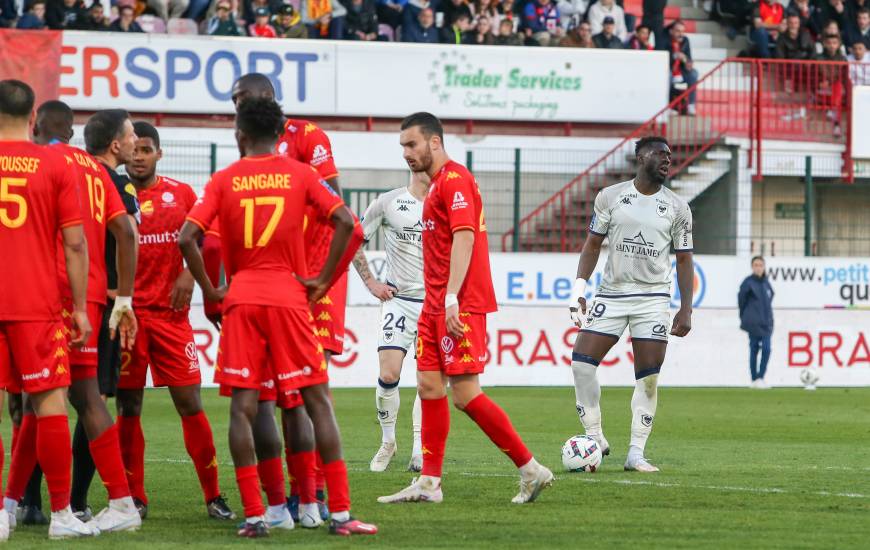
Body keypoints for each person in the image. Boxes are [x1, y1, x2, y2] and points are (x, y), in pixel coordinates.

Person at [179, 96, 376, 537]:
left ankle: (256, 515)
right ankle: (337, 513)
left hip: (243, 298)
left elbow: (188, 237)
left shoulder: (224, 179)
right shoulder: (302, 173)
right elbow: (347, 223)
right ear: (279, 134)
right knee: (316, 401)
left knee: (245, 408)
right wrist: (320, 281)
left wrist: (212, 290)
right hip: (290, 295)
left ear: (239, 136)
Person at [378, 112, 554, 505]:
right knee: (427, 386)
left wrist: (453, 296)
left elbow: (464, 236)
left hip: (459, 303)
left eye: (412, 144)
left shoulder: (455, 180)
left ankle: (531, 469)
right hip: (434, 302)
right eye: (403, 146)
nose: (406, 153)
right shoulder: (437, 184)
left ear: (434, 143)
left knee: (464, 393)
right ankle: (429, 484)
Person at [7, 101, 142, 535]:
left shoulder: (40, 162)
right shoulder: (95, 170)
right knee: (55, 398)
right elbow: (126, 231)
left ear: (37, 126)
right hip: (88, 293)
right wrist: (124, 296)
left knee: (51, 399)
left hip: (46, 290)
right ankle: (19, 503)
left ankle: (94, 504)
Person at [229, 73, 346, 525]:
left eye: (242, 98)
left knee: (305, 390)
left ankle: (309, 492)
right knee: (271, 394)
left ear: (265, 97)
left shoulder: (306, 135)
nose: (237, 105)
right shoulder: (248, 149)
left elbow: (333, 200)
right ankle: (287, 498)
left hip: (311, 277)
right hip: (273, 281)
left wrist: (315, 273)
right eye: (234, 100)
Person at [117, 122, 235, 522]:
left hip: (171, 318)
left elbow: (206, 235)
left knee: (189, 403)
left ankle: (214, 495)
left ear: (158, 154)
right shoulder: (114, 193)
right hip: (129, 318)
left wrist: (189, 271)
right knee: (129, 406)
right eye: (135, 148)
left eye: (146, 149)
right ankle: (134, 497)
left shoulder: (181, 193)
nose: (138, 156)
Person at [0, 79, 96, 540]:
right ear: (33, 118)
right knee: (51, 404)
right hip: (37, 303)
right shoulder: (56, 165)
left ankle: (2, 512)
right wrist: (79, 309)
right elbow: (75, 245)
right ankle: (61, 515)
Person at [567, 136, 694, 473]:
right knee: (581, 364)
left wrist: (686, 308)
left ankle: (636, 452)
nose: (668, 160)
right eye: (661, 154)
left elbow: (684, 260)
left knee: (648, 377)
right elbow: (592, 244)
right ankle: (594, 436)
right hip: (611, 294)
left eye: (671, 155)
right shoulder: (610, 197)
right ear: (641, 157)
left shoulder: (679, 207)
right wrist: (579, 288)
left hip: (653, 298)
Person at [78, 108, 143, 519]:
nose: (136, 142)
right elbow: (128, 235)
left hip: (67, 295)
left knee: (35, 401)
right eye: (133, 134)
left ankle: (24, 502)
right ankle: (78, 502)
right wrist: (125, 298)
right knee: (92, 399)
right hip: (101, 301)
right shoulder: (114, 182)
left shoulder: (72, 176)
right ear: (116, 144)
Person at [353, 173, 428, 473]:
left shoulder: (446, 203)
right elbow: (354, 239)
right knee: (388, 373)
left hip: (433, 304)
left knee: (428, 379)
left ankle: (419, 448)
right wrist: (371, 282)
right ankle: (388, 442)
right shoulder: (388, 202)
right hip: (399, 301)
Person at [738, 256, 774, 389]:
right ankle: (754, 379)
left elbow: (770, 298)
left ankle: (760, 377)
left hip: (767, 323)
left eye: (760, 265)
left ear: (764, 267)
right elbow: (741, 300)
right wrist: (745, 317)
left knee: (766, 349)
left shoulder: (766, 283)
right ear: (752, 267)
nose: (758, 267)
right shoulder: (747, 283)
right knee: (754, 349)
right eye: (756, 265)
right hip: (753, 323)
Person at [661, 20, 698, 115]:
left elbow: (689, 57)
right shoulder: (664, 39)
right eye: (678, 31)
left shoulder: (685, 40)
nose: (680, 34)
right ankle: (667, 106)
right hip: (667, 69)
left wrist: (687, 62)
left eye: (682, 31)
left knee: (693, 74)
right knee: (666, 76)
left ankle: (691, 105)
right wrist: (674, 56)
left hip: (680, 70)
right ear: (671, 31)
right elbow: (662, 58)